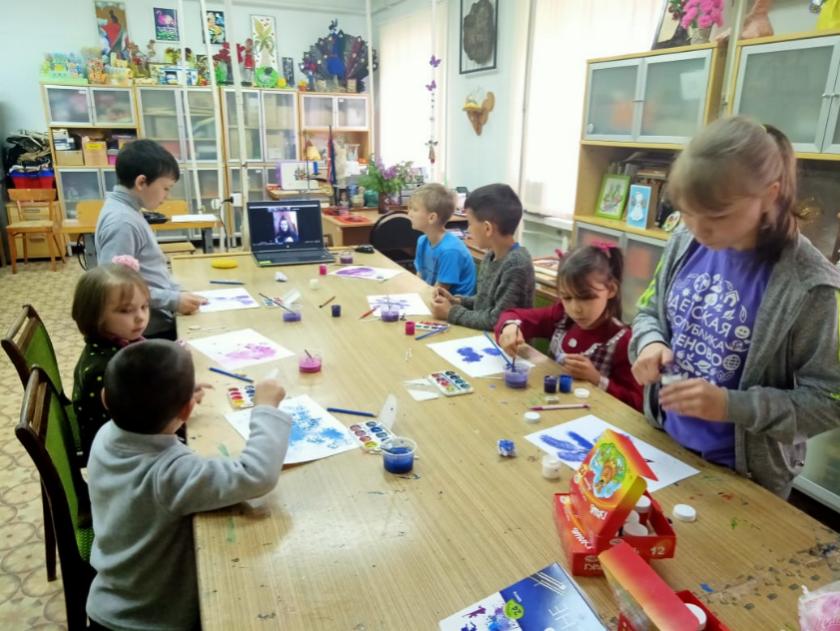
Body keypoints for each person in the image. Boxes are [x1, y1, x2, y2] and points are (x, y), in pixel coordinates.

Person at [630, 116, 840, 498]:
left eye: (717, 216)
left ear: (771, 195)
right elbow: (648, 312)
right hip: (664, 443)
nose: (698, 229)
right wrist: (650, 343)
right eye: (687, 212)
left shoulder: (813, 286)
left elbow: (828, 401)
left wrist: (732, 406)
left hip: (744, 478)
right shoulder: (685, 240)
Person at [85, 340, 292, 630]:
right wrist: (266, 408)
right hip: (150, 619)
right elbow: (255, 474)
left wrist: (171, 402)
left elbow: (145, 409)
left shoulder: (105, 435)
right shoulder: (170, 474)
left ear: (105, 399)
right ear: (187, 410)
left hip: (108, 602)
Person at [495, 245, 642, 411]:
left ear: (611, 290)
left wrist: (596, 378)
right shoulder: (561, 316)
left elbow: (637, 404)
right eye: (567, 297)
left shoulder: (623, 341)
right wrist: (510, 326)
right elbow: (513, 315)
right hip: (552, 408)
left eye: (586, 298)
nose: (575, 309)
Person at [95, 139, 207, 340]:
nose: (167, 196)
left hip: (154, 319)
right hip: (147, 330)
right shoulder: (122, 222)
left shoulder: (129, 211)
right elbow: (116, 288)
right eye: (166, 188)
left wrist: (176, 292)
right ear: (141, 182)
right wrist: (173, 300)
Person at [71, 259, 149, 459]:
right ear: (94, 315)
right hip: (118, 456)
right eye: (126, 310)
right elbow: (145, 419)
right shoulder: (106, 369)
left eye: (144, 306)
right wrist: (179, 399)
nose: (140, 317)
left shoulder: (118, 343)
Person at [431, 183, 534, 330]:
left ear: (487, 228)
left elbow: (497, 320)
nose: (468, 229)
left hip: (502, 342)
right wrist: (456, 301)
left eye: (470, 223)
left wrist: (451, 312)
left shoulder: (516, 264)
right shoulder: (491, 255)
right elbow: (484, 302)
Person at [409, 183, 476, 296]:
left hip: (453, 303)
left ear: (432, 218)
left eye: (414, 209)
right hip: (432, 296)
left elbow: (439, 293)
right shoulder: (422, 241)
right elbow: (419, 278)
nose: (409, 214)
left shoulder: (450, 251)